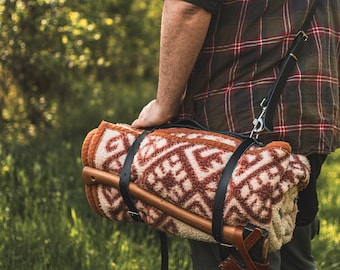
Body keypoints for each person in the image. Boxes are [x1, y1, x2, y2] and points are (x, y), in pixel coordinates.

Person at [131, 0, 340, 269]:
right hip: (312, 111)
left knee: (238, 255)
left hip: (237, 117)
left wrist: (164, 105)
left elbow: (188, 7)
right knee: (292, 249)